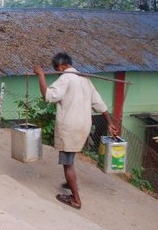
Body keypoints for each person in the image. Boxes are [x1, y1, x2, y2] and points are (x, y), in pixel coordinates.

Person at [34, 52, 117, 210]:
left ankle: (76, 200)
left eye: (57, 69)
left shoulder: (66, 78)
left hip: (69, 126)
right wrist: (110, 123)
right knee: (70, 157)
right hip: (83, 126)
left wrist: (41, 75)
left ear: (61, 65)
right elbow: (100, 104)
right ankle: (70, 182)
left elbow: (48, 96)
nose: (58, 72)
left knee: (67, 164)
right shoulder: (84, 78)